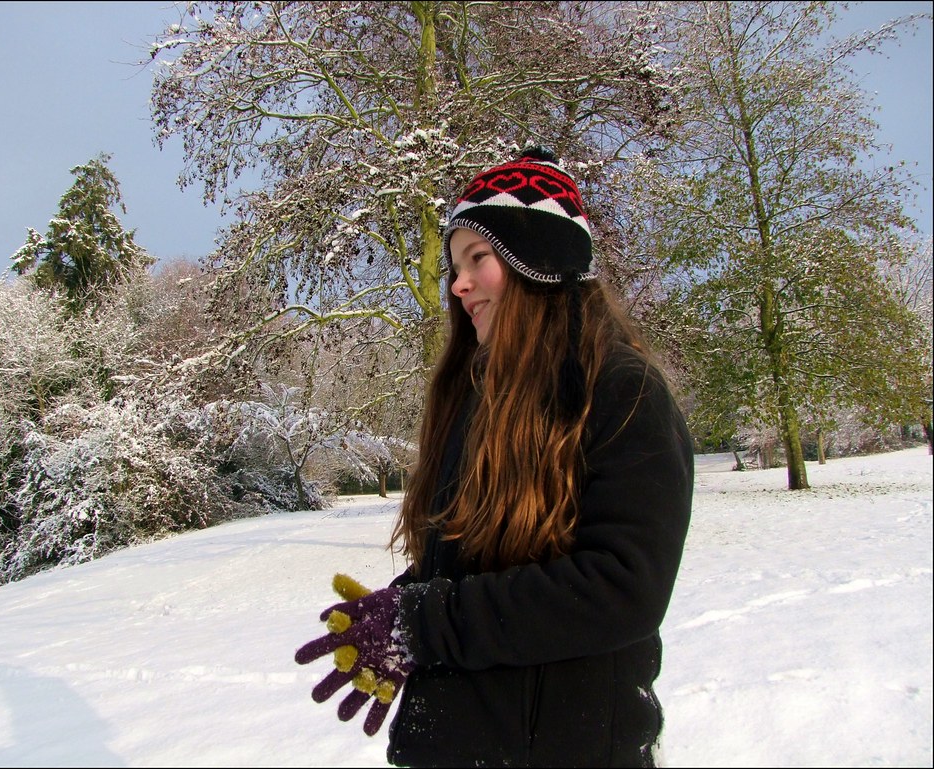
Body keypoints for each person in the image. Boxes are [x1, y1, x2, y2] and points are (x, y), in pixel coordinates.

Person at [295, 147, 694, 768]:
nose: (457, 284)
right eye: (455, 265)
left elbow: (621, 588)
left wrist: (422, 623)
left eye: (477, 258)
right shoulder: (477, 399)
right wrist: (398, 612)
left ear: (539, 257)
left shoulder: (621, 391)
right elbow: (476, 563)